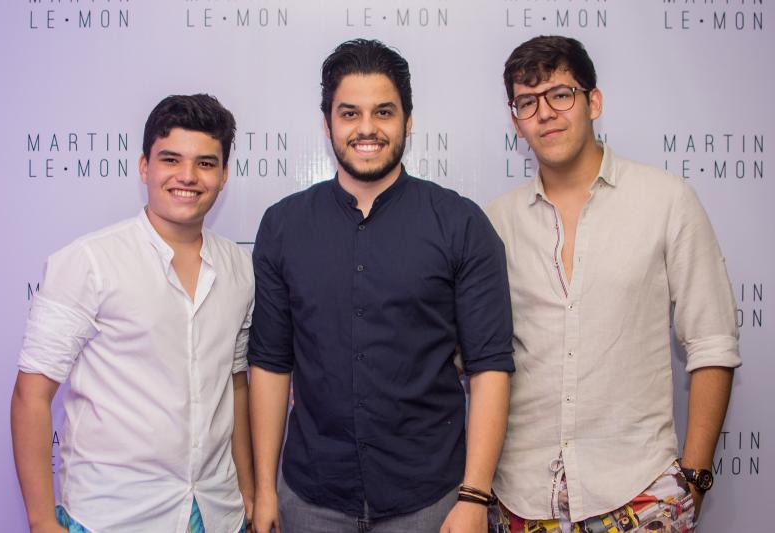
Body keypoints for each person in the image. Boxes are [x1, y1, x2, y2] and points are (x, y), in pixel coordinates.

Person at [249, 38, 515, 533]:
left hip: (431, 501)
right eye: (349, 113)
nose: (366, 128)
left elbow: (490, 368)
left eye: (384, 112)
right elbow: (269, 364)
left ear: (408, 121)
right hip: (309, 498)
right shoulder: (283, 226)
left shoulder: (460, 224)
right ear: (326, 122)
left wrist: (475, 496)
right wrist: (265, 489)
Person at [486, 35, 741, 532]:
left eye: (560, 94)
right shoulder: (495, 223)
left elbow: (712, 341)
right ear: (515, 121)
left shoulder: (666, 200)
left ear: (594, 101)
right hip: (522, 501)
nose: (545, 113)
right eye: (527, 102)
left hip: (641, 495)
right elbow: (472, 361)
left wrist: (693, 480)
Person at [10, 94, 254, 533]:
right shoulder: (89, 261)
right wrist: (42, 520)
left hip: (218, 513)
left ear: (223, 175)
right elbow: (32, 394)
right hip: (111, 517)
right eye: (171, 159)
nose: (187, 176)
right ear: (145, 167)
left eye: (205, 163)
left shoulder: (240, 267)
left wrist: (248, 492)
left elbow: (235, 386)